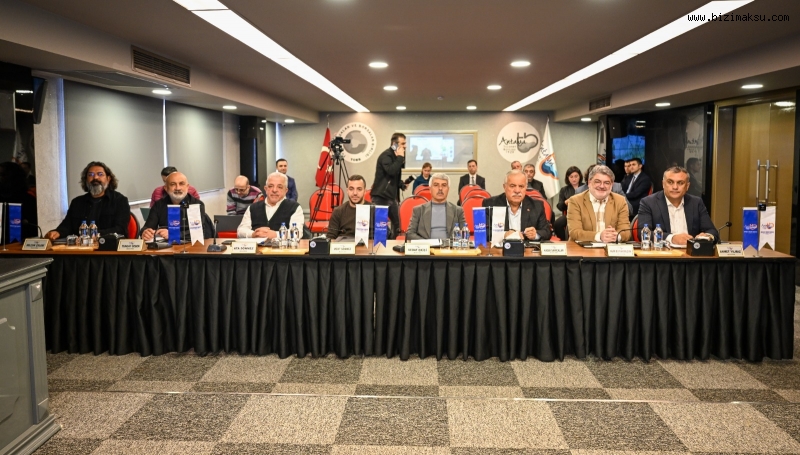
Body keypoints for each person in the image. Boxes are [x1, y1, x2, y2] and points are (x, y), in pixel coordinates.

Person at [45, 161, 130, 240]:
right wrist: (57, 232)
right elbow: (67, 226)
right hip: (81, 248)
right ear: (86, 180)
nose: (95, 177)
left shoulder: (120, 201)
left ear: (108, 179)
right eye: (90, 175)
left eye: (100, 174)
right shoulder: (77, 202)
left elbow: (121, 229)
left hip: (107, 247)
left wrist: (94, 235)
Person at [637, 166, 719, 245]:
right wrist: (672, 238)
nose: (675, 187)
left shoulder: (696, 202)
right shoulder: (648, 202)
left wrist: (707, 236)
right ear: (663, 184)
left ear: (687, 186)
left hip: (691, 252)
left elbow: (712, 231)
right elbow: (643, 233)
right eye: (670, 182)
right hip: (663, 252)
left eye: (680, 183)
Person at [566, 165, 630, 242]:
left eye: (606, 183)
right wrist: (600, 236)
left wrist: (616, 236)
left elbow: (626, 232)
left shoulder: (620, 201)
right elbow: (575, 232)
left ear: (612, 185)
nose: (602, 186)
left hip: (611, 246)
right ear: (589, 182)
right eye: (597, 182)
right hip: (582, 247)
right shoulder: (575, 201)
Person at [482, 170, 552, 241]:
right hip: (501, 247)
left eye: (521, 186)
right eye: (512, 186)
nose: (517, 191)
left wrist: (535, 234)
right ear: (504, 187)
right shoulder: (490, 204)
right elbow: (482, 232)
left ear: (526, 187)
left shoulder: (537, 206)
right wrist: (503, 234)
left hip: (526, 247)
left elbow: (546, 231)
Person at [142, 172, 212, 242]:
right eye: (173, 184)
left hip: (191, 246)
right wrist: (145, 233)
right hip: (166, 247)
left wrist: (173, 234)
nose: (178, 188)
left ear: (187, 187)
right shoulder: (159, 205)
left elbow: (197, 232)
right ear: (166, 188)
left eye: (181, 184)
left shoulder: (195, 204)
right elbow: (147, 227)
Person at [237, 172, 306, 238]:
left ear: (286, 191)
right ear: (266, 189)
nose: (274, 190)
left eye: (279, 187)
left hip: (283, 246)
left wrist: (275, 234)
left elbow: (297, 233)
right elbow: (241, 230)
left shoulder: (294, 208)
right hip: (257, 246)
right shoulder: (252, 208)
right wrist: (253, 234)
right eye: (270, 186)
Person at [407, 173, 466, 240]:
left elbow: (464, 233)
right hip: (427, 246)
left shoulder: (458, 211)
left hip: (449, 246)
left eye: (444, 185)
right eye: (436, 185)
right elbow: (410, 234)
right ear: (430, 189)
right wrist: (427, 243)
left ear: (448, 189)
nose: (440, 188)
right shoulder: (418, 210)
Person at [372, 132, 407, 238]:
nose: (405, 146)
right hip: (381, 196)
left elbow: (393, 177)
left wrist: (401, 184)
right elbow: (391, 171)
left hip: (391, 197)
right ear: (394, 144)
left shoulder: (395, 156)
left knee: (397, 225)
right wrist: (400, 157)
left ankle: (393, 244)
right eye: (403, 143)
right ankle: (383, 245)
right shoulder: (386, 155)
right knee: (381, 226)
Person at [327, 174, 372, 241]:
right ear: (347, 191)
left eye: (359, 189)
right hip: (344, 246)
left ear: (365, 191)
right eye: (351, 189)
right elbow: (330, 238)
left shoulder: (376, 211)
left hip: (369, 247)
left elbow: (384, 238)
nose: (355, 193)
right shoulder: (338, 212)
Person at [0, 161, 37, 241]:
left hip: (19, 244)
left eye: (3, 175)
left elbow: (32, 230)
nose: (1, 179)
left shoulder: (28, 200)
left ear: (14, 178)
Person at [552, 166, 584, 240]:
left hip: (584, 214)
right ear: (568, 178)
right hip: (569, 215)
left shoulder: (585, 187)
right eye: (571, 177)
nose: (574, 179)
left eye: (576, 176)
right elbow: (559, 206)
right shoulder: (564, 190)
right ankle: (564, 241)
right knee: (557, 224)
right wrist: (565, 202)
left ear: (580, 176)